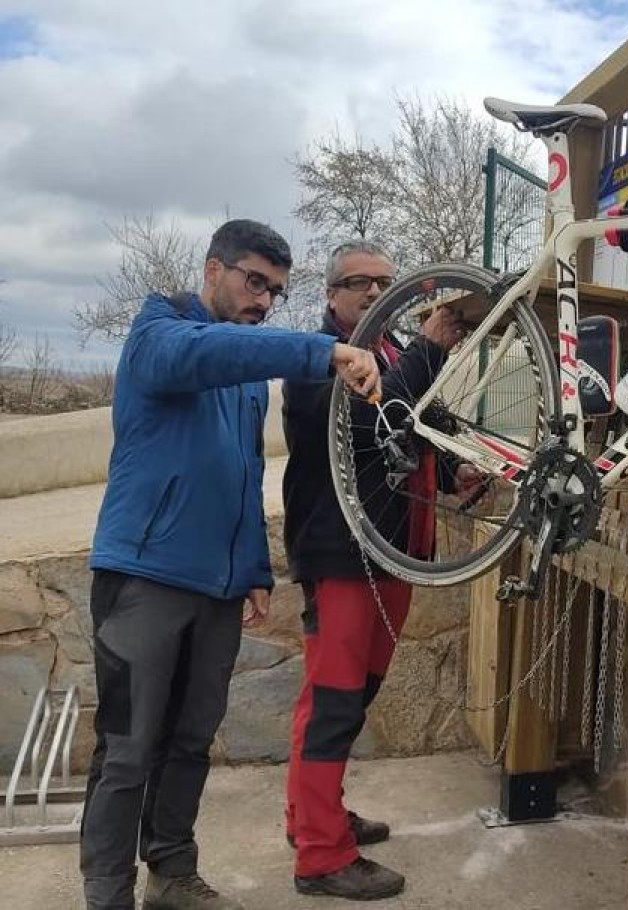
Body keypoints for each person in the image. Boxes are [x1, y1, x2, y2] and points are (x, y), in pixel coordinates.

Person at [81, 220, 382, 910]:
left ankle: (172, 874)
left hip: (217, 589)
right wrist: (323, 350)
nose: (264, 302)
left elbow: (245, 474)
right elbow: (206, 355)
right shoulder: (158, 332)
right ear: (212, 269)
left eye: (276, 291)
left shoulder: (246, 381)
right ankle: (106, 894)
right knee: (127, 750)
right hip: (142, 577)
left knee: (191, 742)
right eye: (254, 283)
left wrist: (251, 568)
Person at [282, 241, 480, 901]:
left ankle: (314, 816)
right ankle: (320, 857)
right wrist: (427, 350)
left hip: (394, 553)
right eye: (359, 283)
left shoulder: (395, 349)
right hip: (342, 554)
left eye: (387, 283)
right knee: (334, 701)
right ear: (332, 294)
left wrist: (458, 473)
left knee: (349, 698)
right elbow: (370, 420)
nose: (375, 294)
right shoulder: (317, 358)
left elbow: (418, 429)